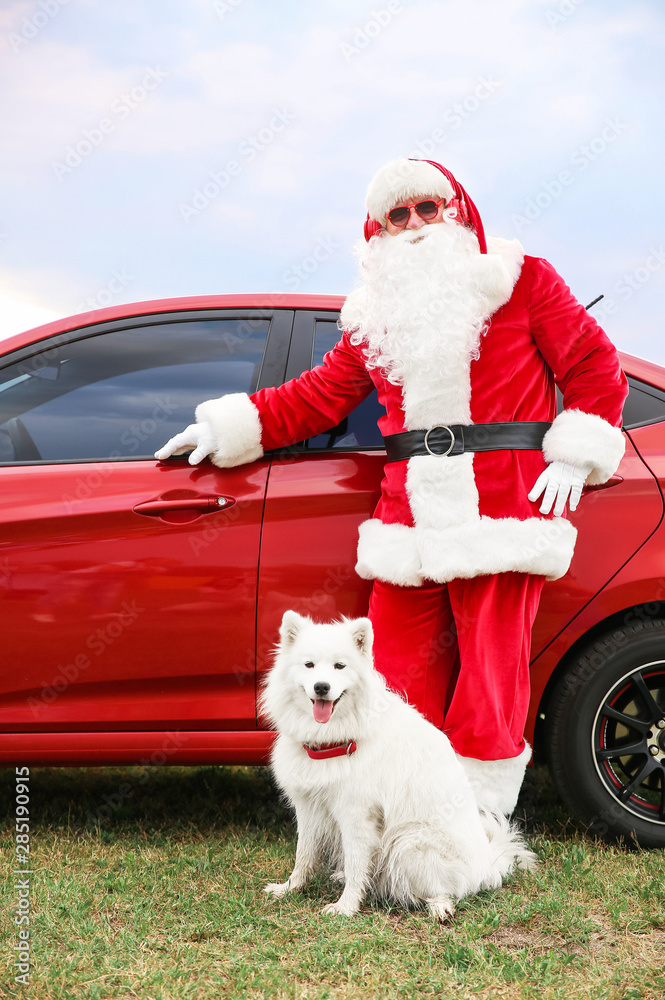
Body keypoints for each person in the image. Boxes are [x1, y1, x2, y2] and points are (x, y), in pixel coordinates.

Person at [156, 158, 628, 816]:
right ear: (376, 230)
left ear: (458, 212)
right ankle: (405, 812)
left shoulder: (523, 282)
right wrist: (233, 425)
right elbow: (317, 397)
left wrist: (575, 454)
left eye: (426, 209)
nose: (412, 226)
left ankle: (475, 824)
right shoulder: (374, 314)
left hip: (502, 510)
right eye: (395, 216)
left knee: (490, 683)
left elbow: (592, 365)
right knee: (393, 675)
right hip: (405, 518)